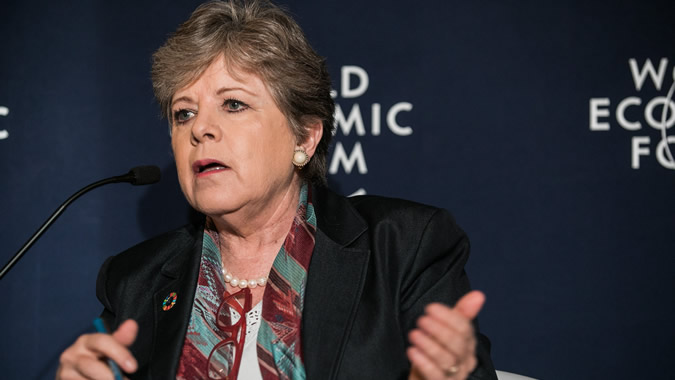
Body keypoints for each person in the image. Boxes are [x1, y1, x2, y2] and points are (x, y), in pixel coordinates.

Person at [56, 1, 497, 379]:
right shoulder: (135, 280)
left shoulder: (403, 248)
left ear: (304, 138)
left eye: (233, 104)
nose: (201, 129)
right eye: (183, 114)